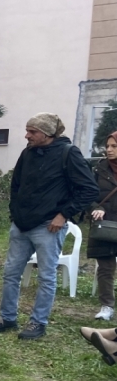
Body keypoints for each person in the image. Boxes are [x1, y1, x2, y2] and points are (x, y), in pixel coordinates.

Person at [0, 113, 98, 340]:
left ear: (46, 133)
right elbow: (16, 186)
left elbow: (89, 190)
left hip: (49, 226)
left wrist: (63, 215)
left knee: (46, 277)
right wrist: (15, 214)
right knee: (10, 273)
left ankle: (38, 322)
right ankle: (7, 318)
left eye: (32, 131)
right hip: (21, 225)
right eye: (27, 130)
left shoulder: (68, 154)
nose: (27, 135)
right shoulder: (27, 153)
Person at [88, 131, 117, 321]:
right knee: (105, 268)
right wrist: (96, 207)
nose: (109, 150)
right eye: (107, 146)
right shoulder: (99, 169)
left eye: (114, 146)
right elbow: (86, 194)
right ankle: (107, 306)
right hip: (106, 227)